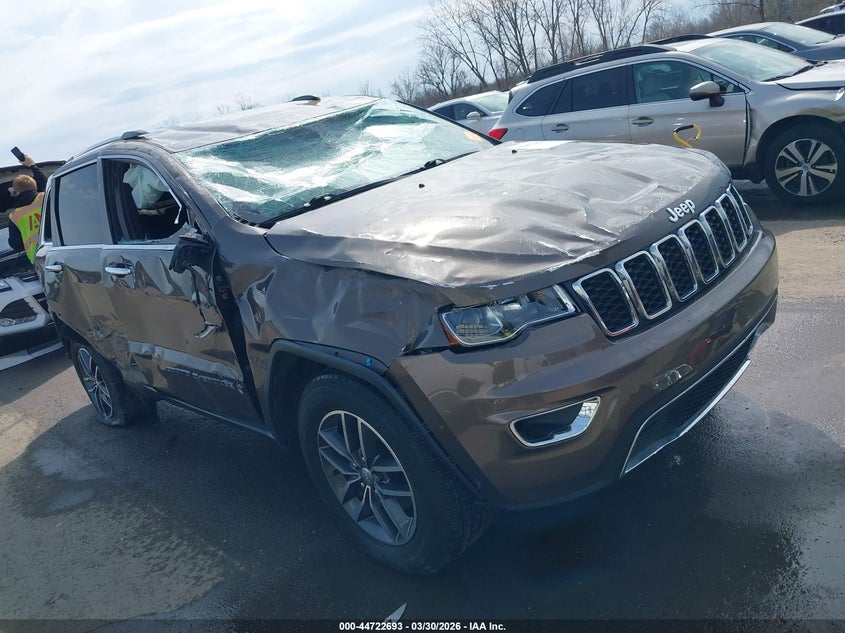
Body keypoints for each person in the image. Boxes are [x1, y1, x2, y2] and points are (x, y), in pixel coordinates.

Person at [7, 154, 46, 264]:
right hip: (62, 250)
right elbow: (47, 182)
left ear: (16, 192)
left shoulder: (15, 216)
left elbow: (16, 245)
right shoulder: (45, 198)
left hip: (40, 260)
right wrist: (32, 165)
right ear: (35, 187)